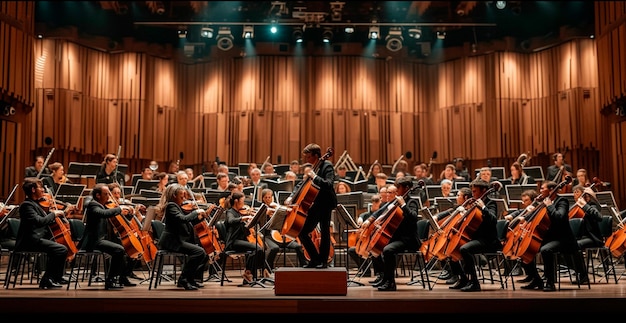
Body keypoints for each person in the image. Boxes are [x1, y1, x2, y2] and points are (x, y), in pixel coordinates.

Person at [518, 180, 586, 291]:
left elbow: (559, 217)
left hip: (564, 239)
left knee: (546, 250)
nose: (540, 191)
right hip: (549, 238)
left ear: (551, 190)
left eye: (542, 188)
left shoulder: (562, 201)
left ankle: (550, 282)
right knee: (525, 250)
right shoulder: (544, 202)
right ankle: (536, 280)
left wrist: (550, 206)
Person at [284, 143, 337, 269]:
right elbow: (301, 185)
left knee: (324, 232)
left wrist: (315, 177)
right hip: (316, 203)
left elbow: (329, 184)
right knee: (302, 232)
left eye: (308, 157)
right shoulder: (315, 167)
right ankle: (315, 259)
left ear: (316, 155)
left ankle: (323, 261)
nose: (306, 160)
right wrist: (292, 196)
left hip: (325, 203)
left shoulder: (327, 166)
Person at [79, 183, 137, 290]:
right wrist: (119, 209)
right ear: (98, 195)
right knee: (118, 250)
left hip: (100, 240)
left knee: (121, 248)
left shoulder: (102, 205)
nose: (108, 197)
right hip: (93, 241)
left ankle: (117, 278)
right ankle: (110, 280)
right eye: (106, 194)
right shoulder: (93, 205)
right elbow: (103, 213)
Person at [367, 177, 421, 291]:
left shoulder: (412, 202)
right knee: (375, 246)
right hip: (396, 238)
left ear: (406, 188)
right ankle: (384, 278)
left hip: (409, 240)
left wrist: (403, 205)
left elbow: (413, 218)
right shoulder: (395, 202)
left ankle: (391, 283)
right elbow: (381, 212)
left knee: (388, 250)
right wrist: (372, 220)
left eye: (398, 188)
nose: (396, 190)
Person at [15, 177, 69, 289]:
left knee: (61, 247)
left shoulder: (38, 204)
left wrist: (60, 214)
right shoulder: (26, 205)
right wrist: (53, 214)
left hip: (38, 238)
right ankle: (47, 280)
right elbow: (39, 222)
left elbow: (47, 220)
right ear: (33, 190)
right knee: (60, 249)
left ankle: (56, 277)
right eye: (41, 187)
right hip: (29, 241)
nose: (43, 190)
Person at [448, 178, 499, 292]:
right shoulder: (474, 204)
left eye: (475, 191)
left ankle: (475, 283)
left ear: (484, 190)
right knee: (452, 248)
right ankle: (463, 279)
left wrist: (483, 207)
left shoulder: (491, 203)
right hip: (475, 238)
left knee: (465, 249)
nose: (473, 194)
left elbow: (493, 220)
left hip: (488, 241)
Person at [156, 184, 208, 290]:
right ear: (174, 195)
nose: (184, 198)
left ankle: (190, 279)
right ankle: (184, 279)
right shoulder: (171, 206)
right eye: (181, 196)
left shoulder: (177, 206)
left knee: (202, 252)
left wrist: (201, 217)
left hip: (177, 240)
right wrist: (196, 211)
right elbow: (183, 219)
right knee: (198, 252)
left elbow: (188, 222)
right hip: (171, 242)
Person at [431, 187, 472, 286]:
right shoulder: (457, 208)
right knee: (445, 246)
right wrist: (436, 216)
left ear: (465, 197)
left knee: (451, 250)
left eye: (458, 195)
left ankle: (459, 276)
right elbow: (448, 212)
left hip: (468, 237)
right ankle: (454, 274)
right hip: (459, 236)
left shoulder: (472, 209)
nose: (456, 198)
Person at [224, 190, 266, 284]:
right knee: (257, 248)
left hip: (241, 240)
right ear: (236, 201)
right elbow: (231, 221)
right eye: (242, 201)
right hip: (233, 242)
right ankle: (248, 272)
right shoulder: (230, 212)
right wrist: (243, 218)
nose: (243, 204)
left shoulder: (239, 212)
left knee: (259, 249)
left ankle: (251, 273)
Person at [260, 188, 307, 271]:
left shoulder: (277, 208)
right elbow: (261, 225)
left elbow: (287, 213)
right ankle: (267, 269)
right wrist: (266, 216)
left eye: (269, 197)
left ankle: (304, 266)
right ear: (262, 199)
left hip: (281, 235)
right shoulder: (262, 210)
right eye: (265, 198)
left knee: (298, 246)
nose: (268, 199)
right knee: (274, 248)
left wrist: (278, 208)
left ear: (273, 198)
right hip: (268, 236)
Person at [503, 189, 540, 282]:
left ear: (533, 200)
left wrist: (525, 216)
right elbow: (519, 212)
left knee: (523, 252)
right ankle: (531, 275)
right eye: (523, 201)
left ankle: (535, 277)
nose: (524, 203)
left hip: (536, 237)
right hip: (526, 237)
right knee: (519, 251)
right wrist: (510, 217)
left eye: (526, 200)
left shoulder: (538, 209)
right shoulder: (526, 209)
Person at [571, 184, 604, 280]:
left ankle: (583, 274)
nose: (574, 194)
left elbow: (599, 217)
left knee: (575, 245)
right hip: (579, 237)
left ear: (584, 195)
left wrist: (584, 205)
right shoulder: (575, 208)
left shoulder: (591, 205)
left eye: (577, 192)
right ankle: (576, 269)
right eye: (574, 192)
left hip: (592, 237)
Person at [347, 193, 383, 278]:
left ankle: (379, 274)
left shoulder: (381, 215)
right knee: (353, 250)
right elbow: (362, 216)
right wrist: (360, 218)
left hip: (376, 242)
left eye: (377, 205)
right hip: (366, 241)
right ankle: (365, 270)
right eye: (374, 204)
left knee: (371, 250)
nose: (375, 207)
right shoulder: (367, 215)